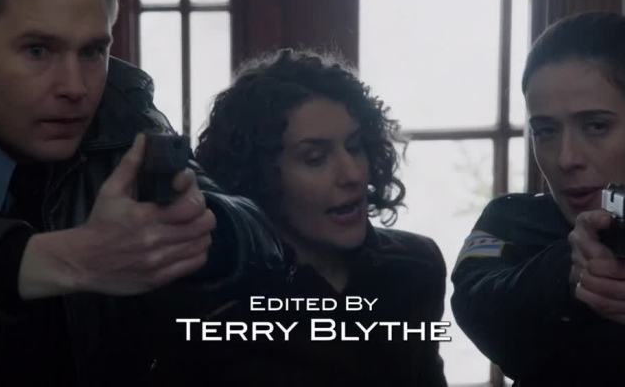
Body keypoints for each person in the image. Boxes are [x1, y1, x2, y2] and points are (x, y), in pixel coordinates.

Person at [0, 0, 282, 386]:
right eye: (38, 51)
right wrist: (64, 258)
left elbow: (262, 239)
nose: (75, 87)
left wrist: (195, 228)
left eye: (91, 52)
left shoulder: (122, 115)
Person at [451, 12, 625, 386]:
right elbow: (480, 309)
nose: (566, 158)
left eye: (596, 126)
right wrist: (567, 272)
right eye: (545, 131)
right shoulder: (511, 221)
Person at [186, 49, 448, 386]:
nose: (352, 174)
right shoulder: (218, 301)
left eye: (355, 147)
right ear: (259, 175)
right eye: (315, 158)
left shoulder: (416, 267)